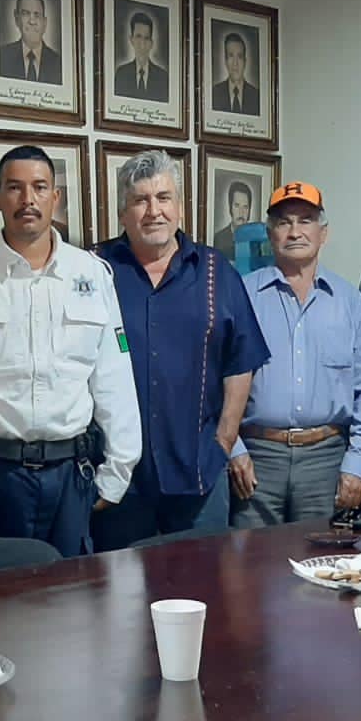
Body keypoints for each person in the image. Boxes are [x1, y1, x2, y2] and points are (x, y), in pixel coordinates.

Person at [0, 145, 141, 555]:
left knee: (67, 590)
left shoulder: (92, 275)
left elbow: (114, 380)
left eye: (39, 187)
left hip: (70, 473)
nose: (27, 199)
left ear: (55, 197)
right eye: (14, 188)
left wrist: (117, 472)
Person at [92, 149, 267, 550]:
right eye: (140, 200)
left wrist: (224, 441)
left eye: (163, 197)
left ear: (180, 208)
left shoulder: (215, 271)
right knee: (118, 585)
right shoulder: (95, 269)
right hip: (116, 478)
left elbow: (241, 362)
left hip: (198, 473)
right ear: (122, 213)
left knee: (202, 580)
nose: (154, 211)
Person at [229, 182, 361, 527]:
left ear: (323, 233)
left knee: (322, 557)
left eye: (305, 220)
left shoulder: (349, 302)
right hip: (257, 459)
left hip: (326, 459)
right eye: (284, 222)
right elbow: (214, 382)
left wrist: (358, 464)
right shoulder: (241, 296)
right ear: (270, 234)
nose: (295, 232)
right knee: (250, 558)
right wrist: (234, 450)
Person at [0, 0, 62, 84]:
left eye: (37, 15)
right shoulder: (2, 57)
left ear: (44, 22)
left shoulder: (59, 63)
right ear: (17, 18)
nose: (32, 21)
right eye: (26, 14)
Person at [112, 11, 168, 101]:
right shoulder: (121, 74)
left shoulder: (163, 78)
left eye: (146, 38)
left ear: (151, 43)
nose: (142, 43)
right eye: (138, 36)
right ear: (131, 40)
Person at [210, 33, 260, 116]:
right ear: (225, 61)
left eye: (239, 56)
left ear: (245, 62)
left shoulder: (257, 96)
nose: (235, 63)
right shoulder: (214, 94)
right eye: (231, 56)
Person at [212, 180, 254, 255]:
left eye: (245, 207)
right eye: (237, 206)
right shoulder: (219, 239)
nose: (241, 212)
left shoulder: (255, 239)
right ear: (230, 207)